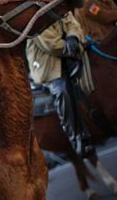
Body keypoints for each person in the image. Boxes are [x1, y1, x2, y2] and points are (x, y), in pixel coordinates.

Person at [26, 12, 94, 157]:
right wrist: (72, 46)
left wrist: (73, 37)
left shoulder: (59, 2)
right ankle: (77, 139)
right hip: (47, 64)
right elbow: (50, 44)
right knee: (62, 90)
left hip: (70, 53)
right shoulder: (33, 15)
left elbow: (72, 23)